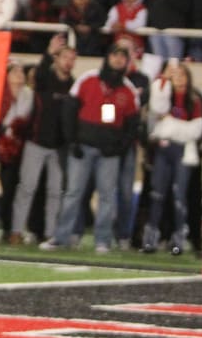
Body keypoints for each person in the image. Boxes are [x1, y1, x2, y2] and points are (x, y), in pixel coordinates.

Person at [41, 44, 140, 253]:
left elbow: (133, 125)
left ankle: (102, 241)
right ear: (107, 57)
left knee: (106, 196)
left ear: (127, 62)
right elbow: (69, 109)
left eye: (123, 57)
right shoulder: (88, 79)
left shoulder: (128, 90)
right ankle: (61, 237)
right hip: (82, 147)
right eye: (115, 55)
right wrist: (72, 141)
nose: (118, 60)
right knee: (73, 193)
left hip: (109, 153)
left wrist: (119, 148)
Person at [10, 34, 76, 245]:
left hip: (59, 147)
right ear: (56, 59)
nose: (68, 62)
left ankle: (50, 233)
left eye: (71, 58)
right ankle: (16, 230)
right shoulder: (45, 79)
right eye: (64, 57)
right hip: (36, 142)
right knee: (27, 187)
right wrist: (48, 52)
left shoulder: (74, 86)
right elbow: (38, 75)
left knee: (55, 192)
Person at [142, 62, 202, 255]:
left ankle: (178, 239)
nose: (178, 79)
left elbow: (196, 130)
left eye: (182, 75)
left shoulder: (194, 101)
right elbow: (156, 107)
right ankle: (150, 240)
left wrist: (169, 127)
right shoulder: (164, 98)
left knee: (179, 197)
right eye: (175, 75)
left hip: (181, 153)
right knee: (157, 195)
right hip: (163, 152)